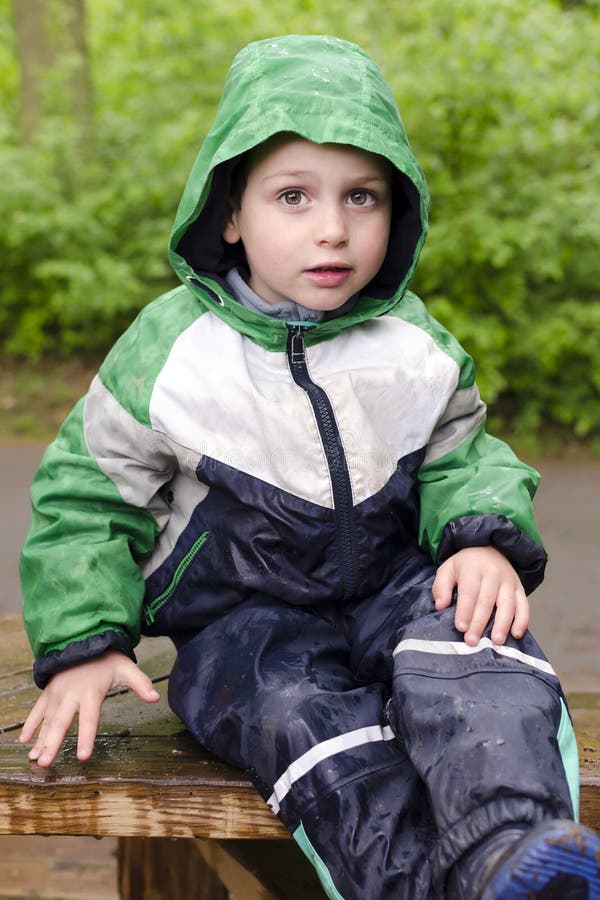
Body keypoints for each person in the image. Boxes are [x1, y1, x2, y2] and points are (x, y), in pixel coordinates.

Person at [19, 34, 600, 900]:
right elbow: (85, 497)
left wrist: (481, 540)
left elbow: (462, 451)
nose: (333, 227)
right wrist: (85, 643)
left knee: (480, 656)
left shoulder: (410, 342)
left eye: (361, 196)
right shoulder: (173, 350)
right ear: (230, 213)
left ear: (394, 208)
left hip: (398, 586)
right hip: (241, 626)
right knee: (302, 725)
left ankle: (511, 856)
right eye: (293, 196)